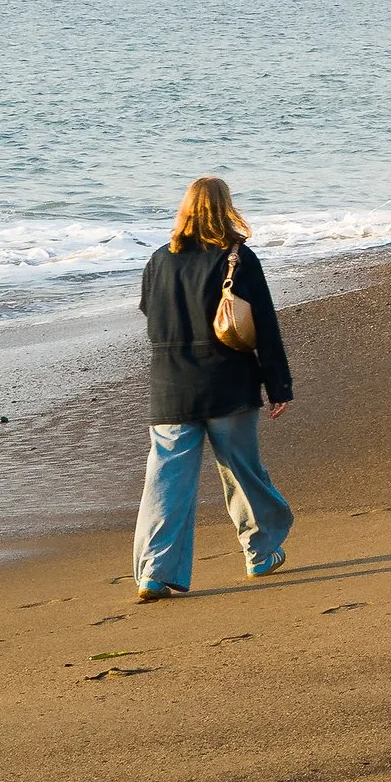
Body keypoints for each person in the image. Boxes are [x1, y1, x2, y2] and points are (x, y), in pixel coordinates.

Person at [134, 174, 294, 601]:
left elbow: (150, 314)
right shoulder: (237, 258)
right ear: (226, 208)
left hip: (170, 386)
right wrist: (278, 383)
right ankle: (260, 553)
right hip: (227, 382)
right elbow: (264, 325)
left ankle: (154, 572)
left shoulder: (158, 260)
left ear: (185, 209)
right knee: (242, 471)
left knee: (166, 482)